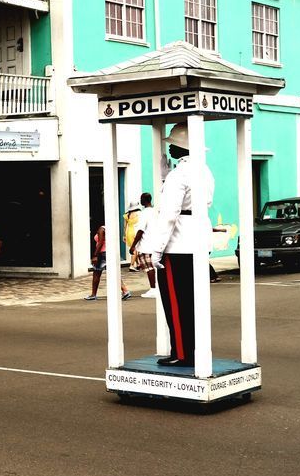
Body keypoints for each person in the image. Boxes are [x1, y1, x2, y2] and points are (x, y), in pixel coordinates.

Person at [133, 122, 215, 368]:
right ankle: (191, 349)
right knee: (192, 302)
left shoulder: (179, 175)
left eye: (173, 146)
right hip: (198, 239)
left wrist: (154, 249)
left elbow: (169, 215)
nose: (170, 151)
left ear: (182, 147)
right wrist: (165, 177)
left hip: (177, 244)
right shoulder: (204, 170)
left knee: (176, 304)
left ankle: (182, 352)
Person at [85, 225, 131, 301]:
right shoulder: (111, 228)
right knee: (113, 273)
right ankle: (125, 290)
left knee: (96, 273)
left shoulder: (101, 229)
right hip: (110, 252)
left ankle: (93, 294)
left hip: (102, 253)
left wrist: (95, 255)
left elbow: (100, 243)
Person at [131, 192, 159, 298]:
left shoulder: (144, 213)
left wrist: (133, 245)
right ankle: (156, 287)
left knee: (149, 268)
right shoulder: (156, 212)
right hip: (156, 244)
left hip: (146, 245)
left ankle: (153, 289)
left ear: (144, 200)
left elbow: (140, 230)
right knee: (154, 267)